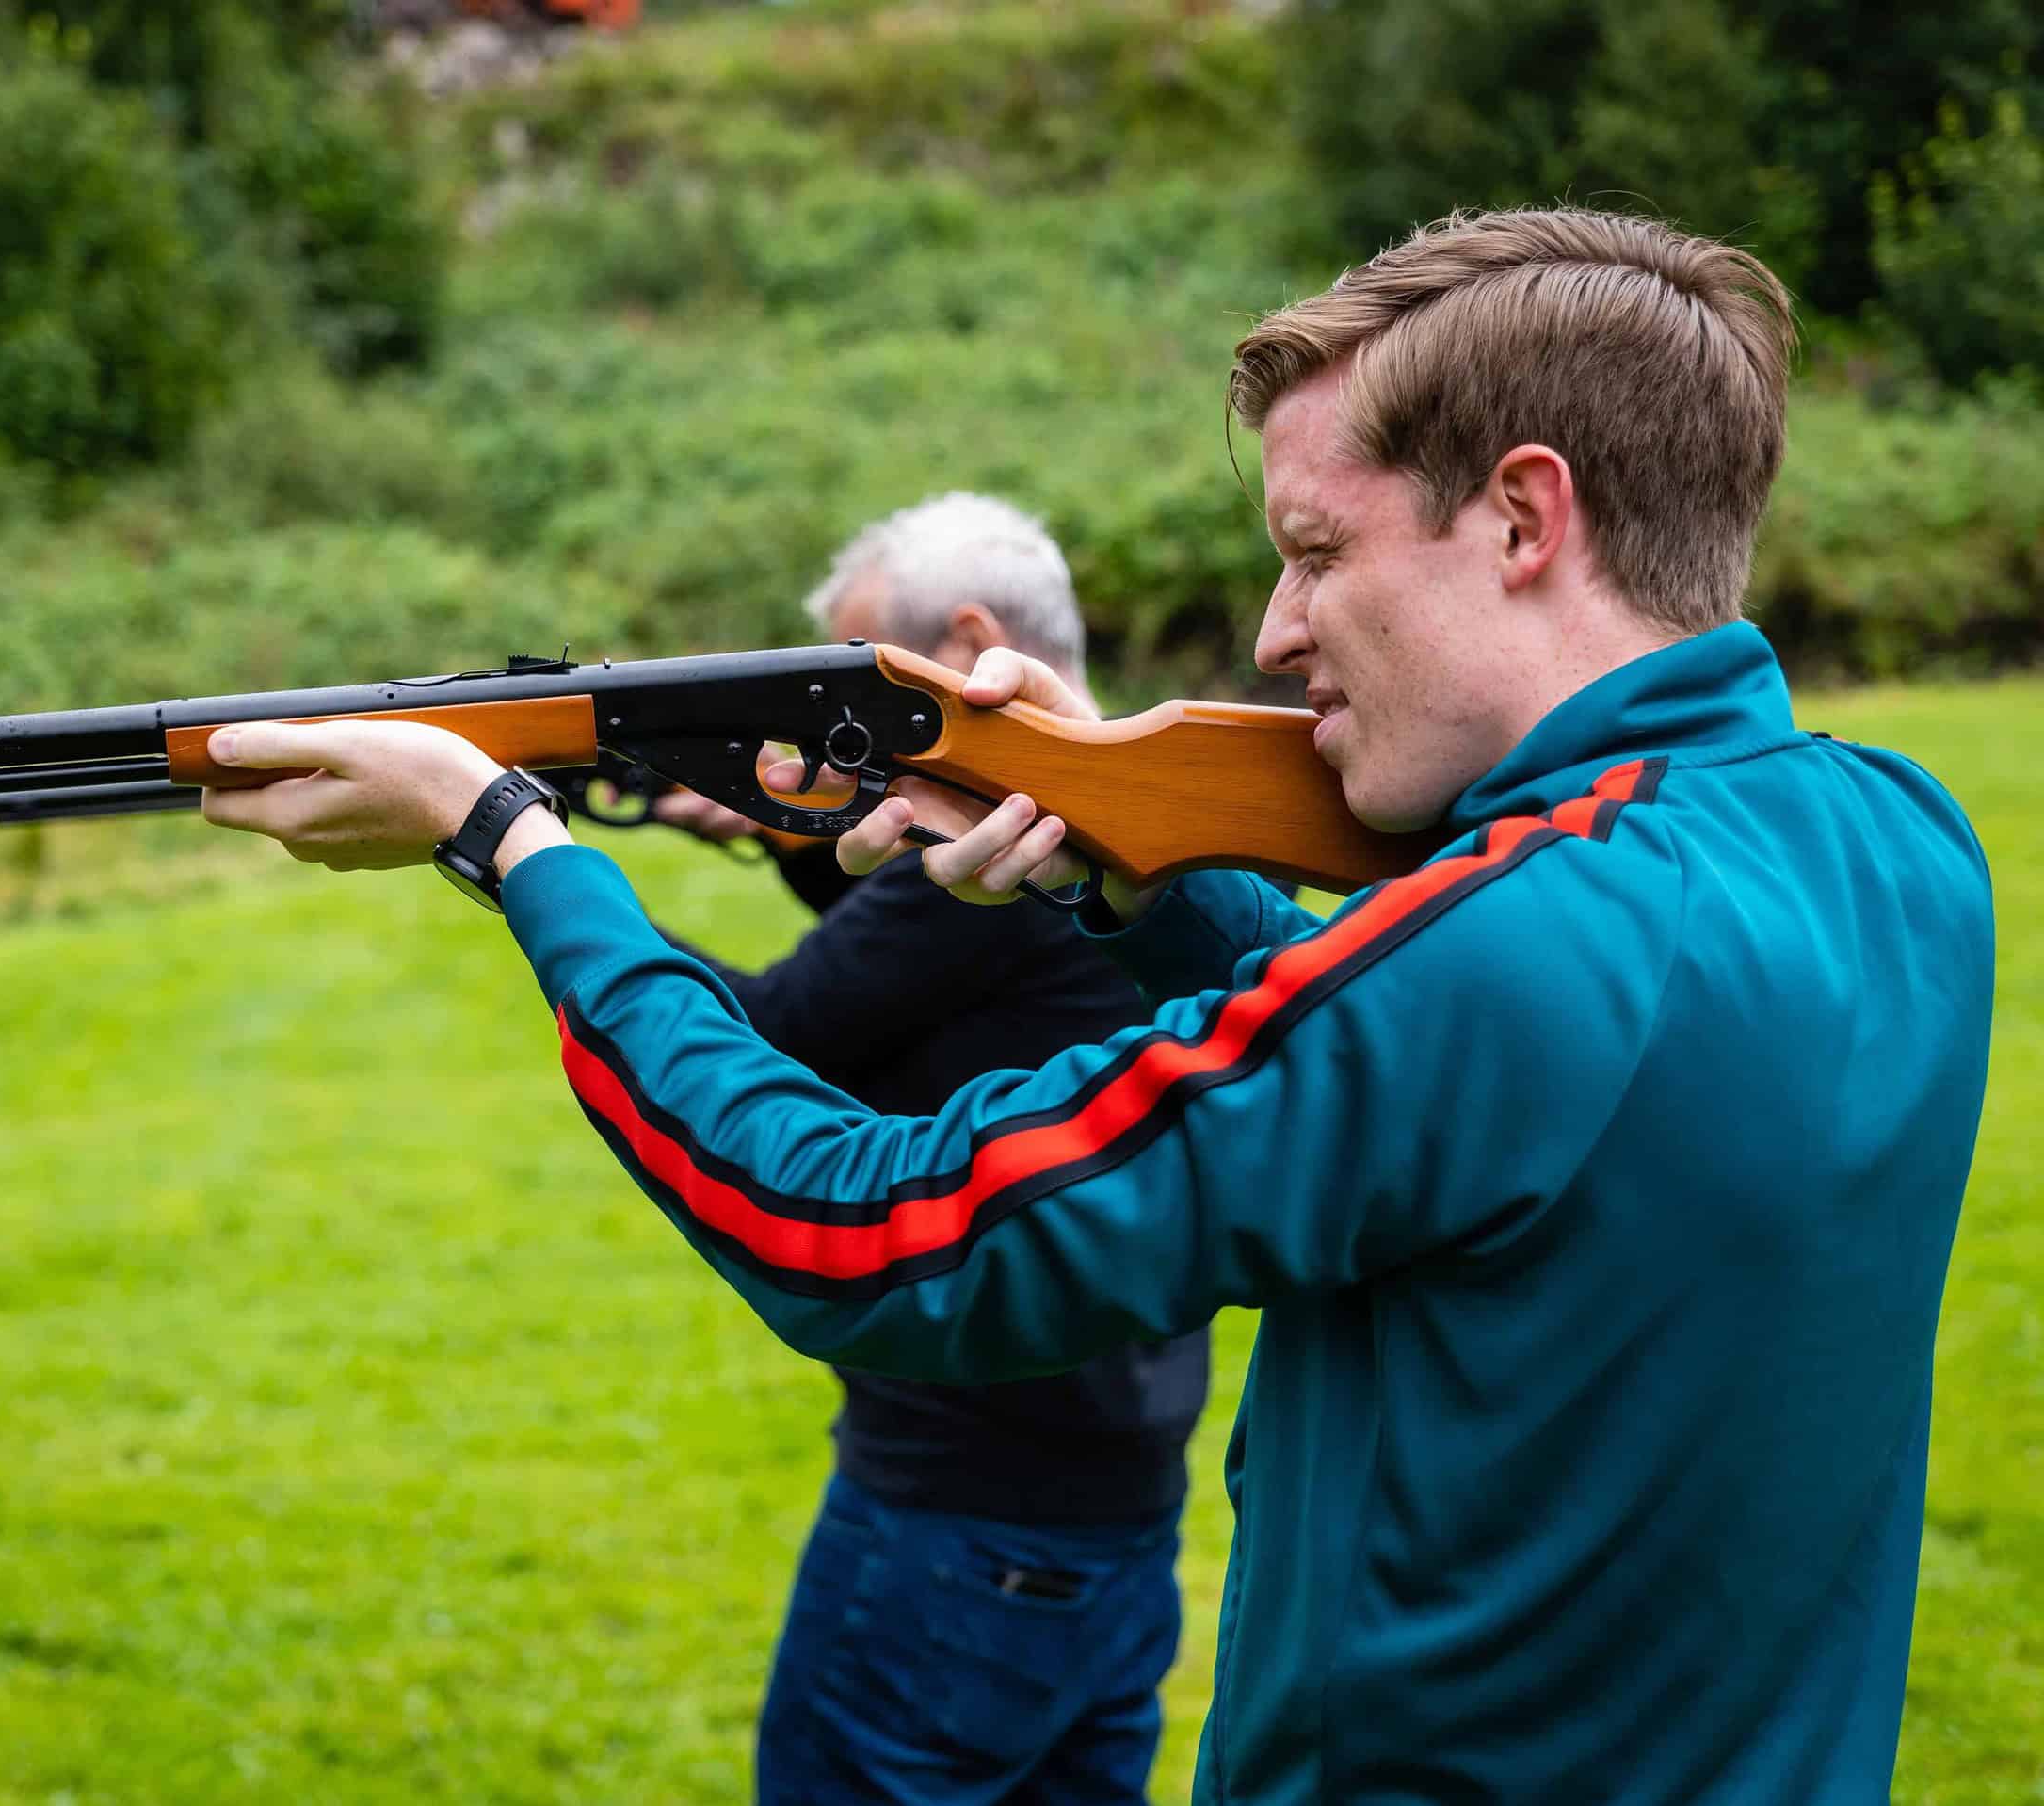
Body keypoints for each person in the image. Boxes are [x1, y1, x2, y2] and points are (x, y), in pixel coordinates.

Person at [197, 209, 1995, 1803]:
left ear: (1524, 516)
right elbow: (1455, 1100)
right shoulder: (1904, 850)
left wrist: (516, 846)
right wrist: (1122, 873)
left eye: (1317, 549)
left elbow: (879, 1239)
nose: (1280, 633)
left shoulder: (1522, 945)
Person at [641, 492, 1209, 1806]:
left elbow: (781, 1031)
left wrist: (535, 871)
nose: (844, 751)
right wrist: (786, 840)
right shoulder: (1137, 826)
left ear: (965, 641)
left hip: (959, 1509)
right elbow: (921, 972)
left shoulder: (1024, 848)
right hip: (1118, 1497)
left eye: (860, 695)